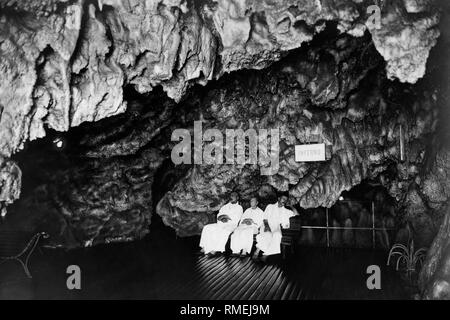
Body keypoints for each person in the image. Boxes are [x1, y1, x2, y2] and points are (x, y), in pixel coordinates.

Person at [254, 194, 298, 260]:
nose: (284, 201)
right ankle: (256, 252)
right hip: (267, 224)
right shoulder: (270, 206)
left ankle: (266, 254)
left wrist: (291, 206)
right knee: (268, 234)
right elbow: (265, 218)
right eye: (283, 199)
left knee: (277, 235)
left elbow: (296, 214)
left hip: (276, 227)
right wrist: (267, 226)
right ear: (279, 198)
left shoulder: (286, 211)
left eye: (286, 200)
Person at [199, 191, 243, 256]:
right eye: (231, 196)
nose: (232, 197)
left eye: (233, 196)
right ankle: (204, 247)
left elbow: (236, 218)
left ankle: (215, 250)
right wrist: (221, 218)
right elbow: (219, 214)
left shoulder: (239, 208)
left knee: (224, 231)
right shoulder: (225, 206)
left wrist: (227, 219)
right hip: (221, 223)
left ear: (237, 197)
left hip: (231, 225)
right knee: (207, 227)